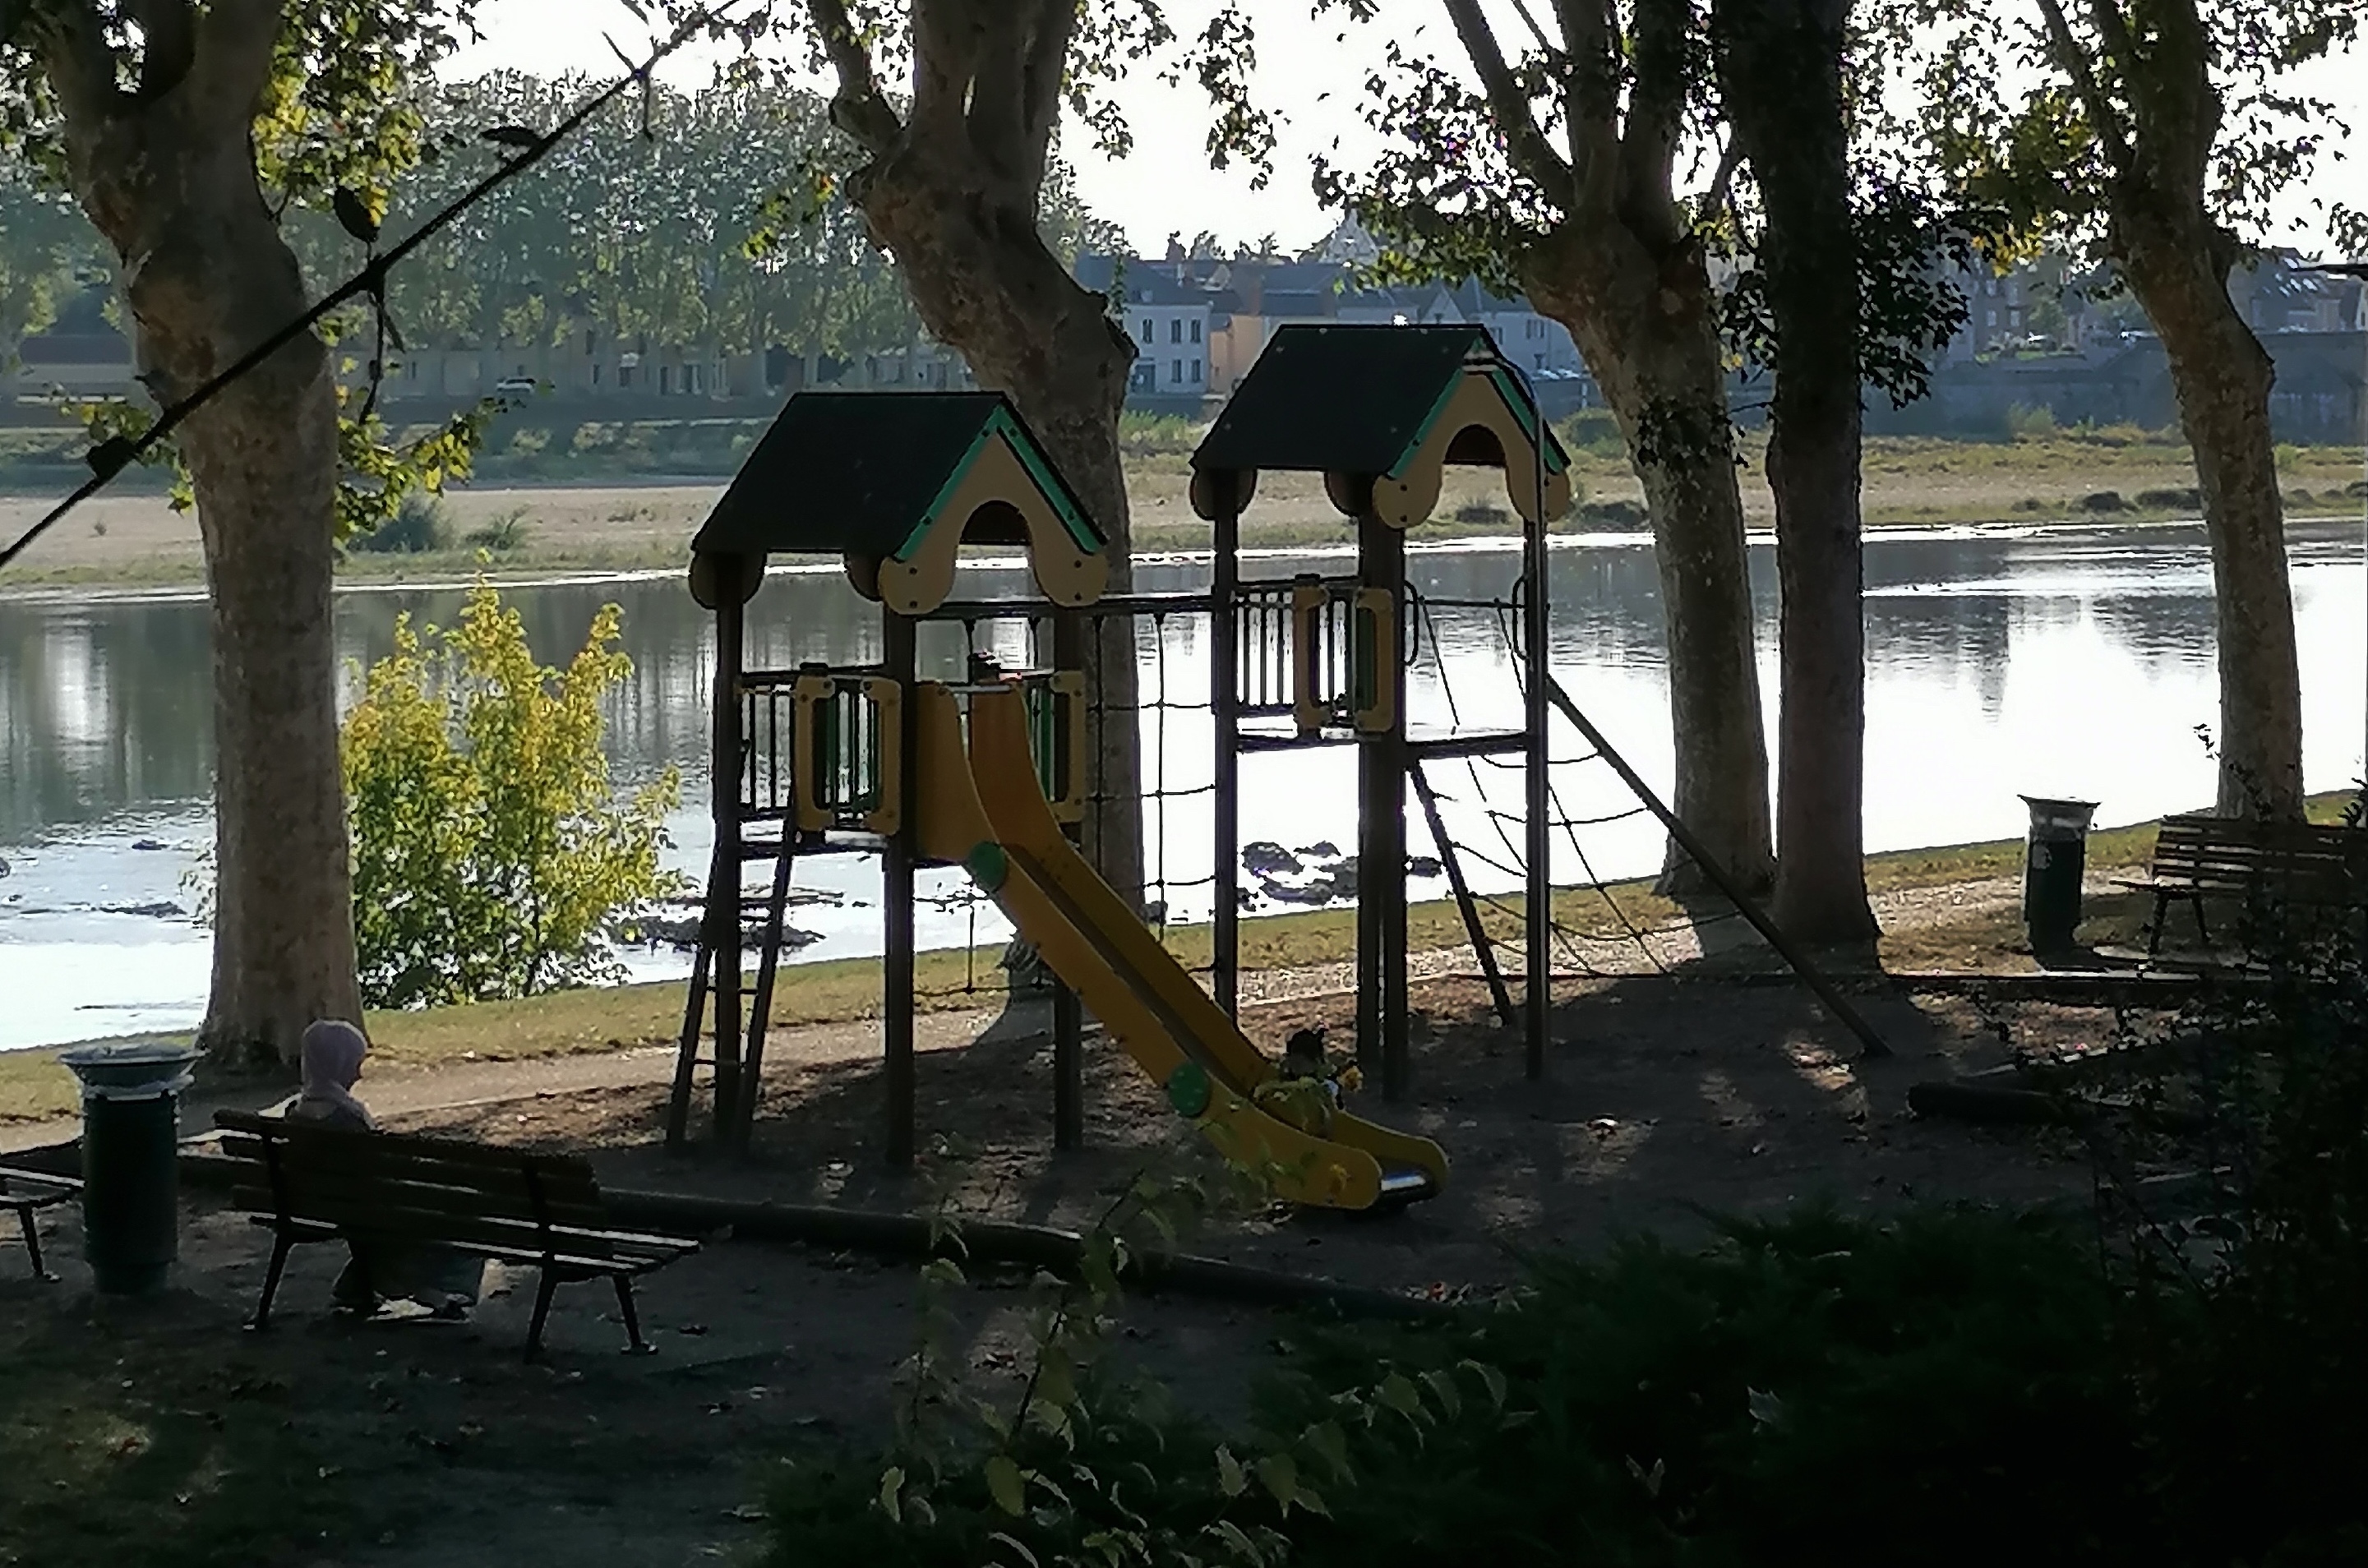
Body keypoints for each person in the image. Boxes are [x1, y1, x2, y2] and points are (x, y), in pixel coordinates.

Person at [288, 1019, 483, 1321]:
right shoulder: (347, 1119)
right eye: (354, 1064)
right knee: (462, 1208)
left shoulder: (296, 1114)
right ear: (339, 1065)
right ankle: (443, 1289)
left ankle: (356, 1287)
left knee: (373, 1217)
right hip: (363, 1206)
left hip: (319, 1204)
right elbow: (375, 1180)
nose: (358, 1073)